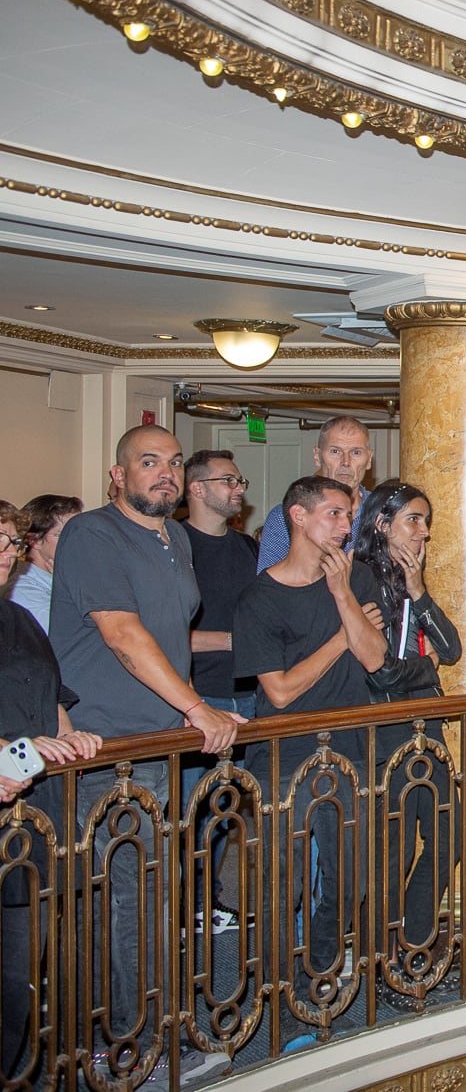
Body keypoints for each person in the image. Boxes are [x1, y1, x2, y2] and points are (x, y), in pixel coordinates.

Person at [54, 426, 243, 1072]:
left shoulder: (178, 538)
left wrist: (191, 712)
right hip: (108, 750)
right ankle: (127, 1046)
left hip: (163, 746)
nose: (164, 473)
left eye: (173, 463)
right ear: (118, 475)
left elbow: (171, 637)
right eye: (148, 462)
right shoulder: (93, 535)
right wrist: (197, 707)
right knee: (124, 900)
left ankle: (162, 1027)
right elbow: (123, 635)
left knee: (159, 895)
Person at [236, 476, 386, 997]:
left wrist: (342, 595)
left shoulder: (358, 578)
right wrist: (341, 638)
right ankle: (280, 985)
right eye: (334, 514)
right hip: (282, 752)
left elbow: (374, 656)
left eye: (349, 515)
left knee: (350, 879)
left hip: (349, 746)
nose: (346, 525)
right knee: (283, 882)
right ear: (298, 518)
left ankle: (318, 966)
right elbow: (279, 692)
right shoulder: (261, 596)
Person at [1, 523, 100, 1084]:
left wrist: (70, 736)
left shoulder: (18, 618)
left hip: (28, 812)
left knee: (18, 975)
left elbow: (50, 696)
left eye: (9, 543)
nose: (3, 554)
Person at [350, 480, 462, 960]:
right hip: (385, 726)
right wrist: (426, 667)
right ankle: (381, 953)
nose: (424, 532)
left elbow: (452, 649)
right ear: (382, 523)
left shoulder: (406, 578)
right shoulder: (359, 577)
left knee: (446, 838)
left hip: (425, 723)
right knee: (390, 850)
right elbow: (380, 672)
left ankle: (413, 938)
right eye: (413, 520)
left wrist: (418, 590)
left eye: (426, 521)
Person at [180, 449, 259, 936]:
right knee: (190, 811)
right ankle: (181, 905)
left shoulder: (245, 548)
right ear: (197, 488)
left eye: (239, 479)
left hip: (248, 693)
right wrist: (232, 640)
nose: (238, 488)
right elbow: (157, 633)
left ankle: (209, 899)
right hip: (198, 695)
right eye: (228, 480)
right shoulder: (172, 544)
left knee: (226, 810)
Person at [255, 416, 373, 571]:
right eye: (335, 451)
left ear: (369, 459)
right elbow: (271, 588)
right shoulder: (287, 517)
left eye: (356, 452)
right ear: (317, 456)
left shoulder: (382, 511)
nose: (345, 462)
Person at [8, 493, 80, 633]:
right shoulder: (22, 589)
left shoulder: (74, 574)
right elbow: (68, 637)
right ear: (34, 541)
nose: (77, 541)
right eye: (63, 534)